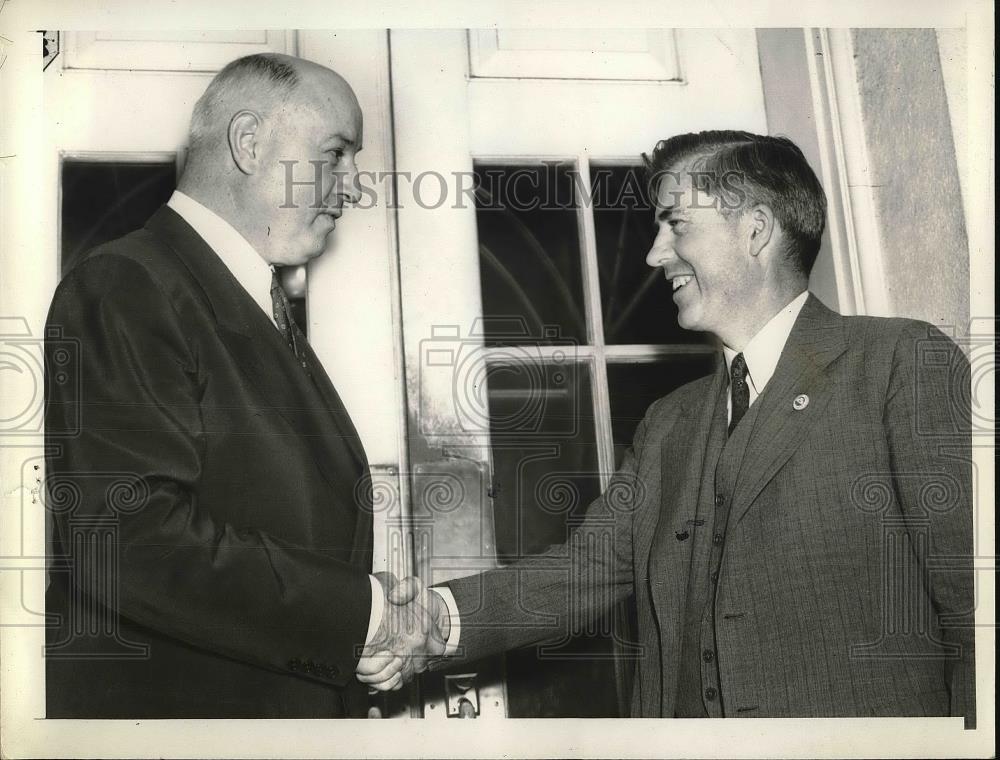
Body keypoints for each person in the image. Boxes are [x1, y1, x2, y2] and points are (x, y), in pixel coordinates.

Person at [360, 131, 976, 722]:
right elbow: (588, 569)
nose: (655, 253)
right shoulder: (670, 421)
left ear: (756, 230)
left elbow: (978, 613)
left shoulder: (897, 363)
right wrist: (437, 619)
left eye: (676, 224)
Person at [44, 52, 443, 718]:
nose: (351, 187)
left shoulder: (237, 297)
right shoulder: (129, 285)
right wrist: (365, 615)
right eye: (335, 154)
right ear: (250, 143)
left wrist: (352, 633)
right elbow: (130, 540)